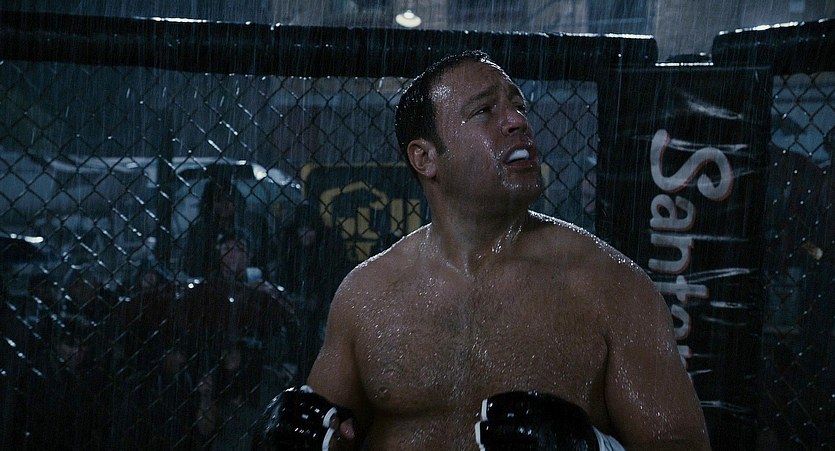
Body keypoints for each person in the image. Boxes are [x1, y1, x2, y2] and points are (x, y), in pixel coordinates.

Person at [254, 50, 710, 450]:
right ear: (425, 158)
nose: (517, 121)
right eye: (485, 111)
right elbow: (324, 432)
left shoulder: (609, 285)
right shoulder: (367, 294)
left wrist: (594, 448)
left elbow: (683, 444)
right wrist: (286, 437)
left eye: (518, 105)